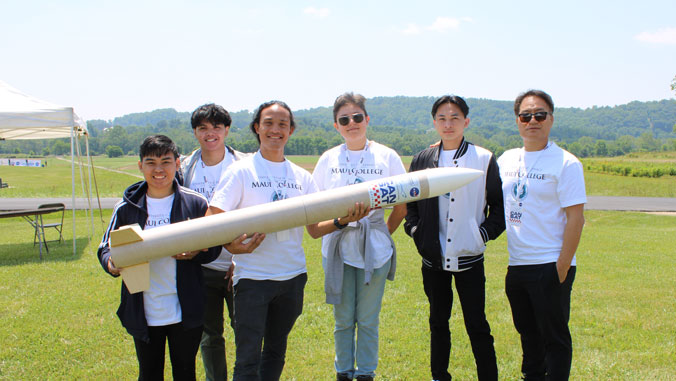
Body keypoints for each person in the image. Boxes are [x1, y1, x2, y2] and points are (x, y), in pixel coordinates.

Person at [208, 100, 321, 381]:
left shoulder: (302, 177)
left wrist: (345, 218)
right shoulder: (241, 171)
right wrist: (229, 246)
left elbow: (316, 228)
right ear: (257, 128)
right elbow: (213, 217)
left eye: (283, 124)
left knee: (275, 353)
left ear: (291, 130)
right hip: (252, 280)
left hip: (292, 278)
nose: (275, 129)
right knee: (247, 359)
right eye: (268, 123)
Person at [97, 134, 221, 380]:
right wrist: (111, 263)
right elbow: (105, 248)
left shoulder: (196, 203)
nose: (159, 169)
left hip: (185, 308)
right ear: (140, 165)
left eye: (166, 162)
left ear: (177, 164)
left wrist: (195, 253)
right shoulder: (126, 207)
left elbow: (214, 247)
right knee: (150, 373)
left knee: (185, 372)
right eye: (151, 162)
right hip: (145, 308)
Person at [404, 95, 504, 381]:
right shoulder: (422, 159)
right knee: (438, 322)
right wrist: (415, 231)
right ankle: (439, 376)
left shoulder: (483, 159)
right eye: (442, 119)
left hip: (469, 257)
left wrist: (480, 235)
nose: (448, 124)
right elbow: (411, 204)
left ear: (466, 121)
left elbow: (499, 208)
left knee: (477, 324)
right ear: (434, 122)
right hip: (432, 259)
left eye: (455, 118)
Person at [311, 92, 407, 381]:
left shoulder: (387, 156)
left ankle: (365, 373)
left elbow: (401, 208)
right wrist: (342, 222)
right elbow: (314, 212)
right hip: (338, 249)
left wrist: (380, 234)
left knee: (367, 319)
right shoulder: (328, 159)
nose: (351, 123)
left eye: (356, 117)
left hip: (374, 252)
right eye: (344, 119)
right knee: (342, 320)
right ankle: (343, 372)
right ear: (336, 125)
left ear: (367, 119)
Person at [497, 90, 586, 380]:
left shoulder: (566, 163)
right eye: (525, 115)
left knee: (555, 340)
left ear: (551, 118)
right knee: (528, 337)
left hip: (550, 264)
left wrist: (561, 267)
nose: (532, 120)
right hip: (518, 266)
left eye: (539, 114)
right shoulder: (507, 160)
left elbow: (576, 218)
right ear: (517, 120)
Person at [179, 103, 248, 381]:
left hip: (238, 264)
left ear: (227, 130)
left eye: (216, 127)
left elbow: (251, 212)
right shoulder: (184, 168)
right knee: (210, 336)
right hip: (201, 266)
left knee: (245, 330)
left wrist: (238, 258)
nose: (210, 134)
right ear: (195, 132)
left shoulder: (243, 165)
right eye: (203, 128)